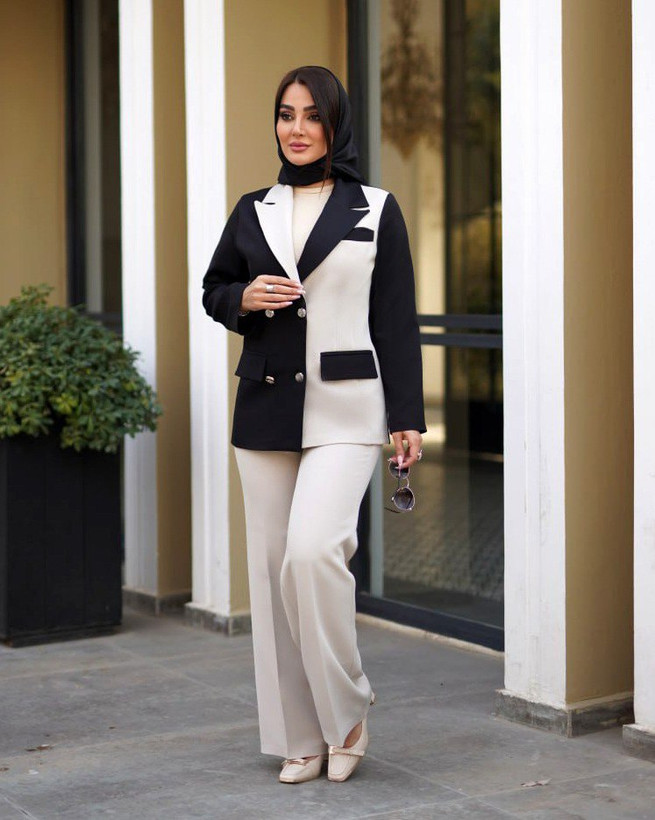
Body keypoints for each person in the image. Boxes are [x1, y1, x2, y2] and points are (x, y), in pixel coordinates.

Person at [202, 65, 426, 784]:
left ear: (335, 124)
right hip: (265, 405)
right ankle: (299, 736)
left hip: (348, 407)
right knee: (273, 578)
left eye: (310, 115)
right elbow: (213, 289)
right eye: (284, 114)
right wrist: (244, 298)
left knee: (312, 553)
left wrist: (407, 418)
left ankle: (347, 709)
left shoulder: (375, 208)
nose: (295, 128)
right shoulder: (253, 209)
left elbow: (395, 319)